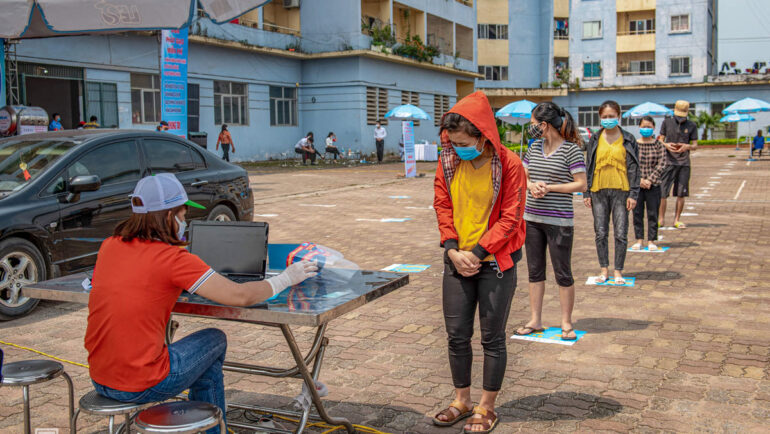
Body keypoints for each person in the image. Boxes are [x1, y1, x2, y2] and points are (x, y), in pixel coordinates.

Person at [84, 173, 318, 434]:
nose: (184, 222)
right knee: (214, 340)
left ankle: (207, 425)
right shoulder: (172, 258)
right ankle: (213, 428)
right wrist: (286, 279)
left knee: (203, 360)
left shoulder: (110, 246)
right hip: (141, 382)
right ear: (169, 216)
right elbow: (239, 296)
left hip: (101, 377)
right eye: (183, 216)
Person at [432, 91, 526, 434]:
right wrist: (453, 249)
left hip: (494, 263)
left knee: (492, 338)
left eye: (462, 142)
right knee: (457, 335)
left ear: (483, 135)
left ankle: (486, 408)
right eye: (452, 141)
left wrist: (478, 253)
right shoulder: (449, 161)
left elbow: (511, 218)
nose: (457, 147)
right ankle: (462, 401)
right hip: (457, 260)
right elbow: (442, 204)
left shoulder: (510, 165)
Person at [513, 102, 586, 341]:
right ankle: (535, 320)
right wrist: (532, 185)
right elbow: (523, 174)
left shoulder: (571, 150)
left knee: (562, 272)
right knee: (535, 272)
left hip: (560, 221)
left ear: (543, 125)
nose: (531, 128)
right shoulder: (534, 148)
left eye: (533, 124)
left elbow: (581, 184)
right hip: (531, 219)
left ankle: (566, 322)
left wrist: (550, 188)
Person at [584, 100, 640, 285]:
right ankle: (604, 270)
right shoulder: (594, 139)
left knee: (621, 233)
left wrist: (633, 194)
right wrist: (586, 192)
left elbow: (634, 168)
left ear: (619, 116)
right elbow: (588, 166)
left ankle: (618, 272)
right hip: (598, 191)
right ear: (600, 118)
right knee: (600, 232)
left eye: (611, 116)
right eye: (605, 117)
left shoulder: (629, 138)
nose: (608, 119)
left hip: (621, 191)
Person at [658, 100, 698, 228]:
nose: (680, 117)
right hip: (668, 161)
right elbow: (660, 140)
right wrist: (666, 145)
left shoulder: (692, 125)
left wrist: (687, 146)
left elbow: (695, 145)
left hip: (684, 163)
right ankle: (661, 219)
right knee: (663, 192)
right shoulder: (667, 122)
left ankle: (676, 220)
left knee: (681, 193)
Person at [632, 116, 667, 251]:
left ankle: (651, 240)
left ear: (653, 128)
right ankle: (639, 240)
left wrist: (649, 180)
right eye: (643, 126)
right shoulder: (634, 144)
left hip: (654, 185)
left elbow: (662, 164)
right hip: (637, 186)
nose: (646, 129)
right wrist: (639, 179)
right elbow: (630, 164)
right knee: (637, 213)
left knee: (653, 213)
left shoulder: (658, 145)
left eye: (649, 127)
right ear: (639, 127)